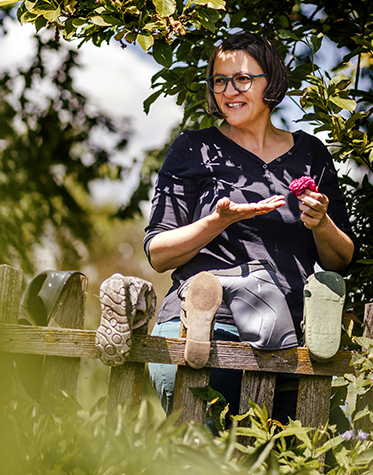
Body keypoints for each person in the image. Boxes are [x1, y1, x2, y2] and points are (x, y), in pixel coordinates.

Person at [145, 32, 357, 424]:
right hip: (209, 328)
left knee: (315, 455)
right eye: (219, 81)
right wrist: (216, 222)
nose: (229, 91)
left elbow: (340, 259)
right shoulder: (194, 148)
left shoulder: (310, 153)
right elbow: (158, 252)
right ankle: (202, 320)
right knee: (208, 456)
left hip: (288, 337)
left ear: (270, 82)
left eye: (241, 79)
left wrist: (320, 222)